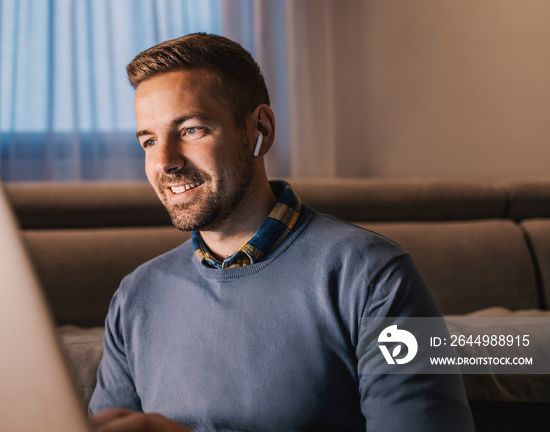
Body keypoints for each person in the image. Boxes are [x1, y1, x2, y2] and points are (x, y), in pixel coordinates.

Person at [88, 33, 474, 432]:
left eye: (191, 130)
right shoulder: (136, 295)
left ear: (261, 129)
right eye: (149, 141)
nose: (165, 162)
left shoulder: (375, 276)